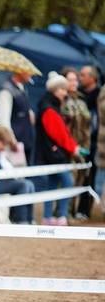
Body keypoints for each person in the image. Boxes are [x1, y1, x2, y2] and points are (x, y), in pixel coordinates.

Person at [35, 72, 86, 226]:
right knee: (67, 181)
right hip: (55, 154)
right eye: (62, 89)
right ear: (54, 90)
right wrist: (74, 148)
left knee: (52, 184)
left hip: (51, 153)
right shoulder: (50, 109)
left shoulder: (50, 106)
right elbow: (60, 135)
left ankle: (48, 216)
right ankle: (61, 215)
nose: (65, 92)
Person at [0, 126, 35, 224]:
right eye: (3, 144)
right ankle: (20, 220)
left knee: (29, 184)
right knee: (23, 185)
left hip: (1, 180)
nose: (4, 147)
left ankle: (30, 219)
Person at [61, 67, 92, 219]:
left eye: (75, 79)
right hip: (69, 147)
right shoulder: (61, 100)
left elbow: (87, 124)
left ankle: (72, 212)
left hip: (83, 147)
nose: (74, 82)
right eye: (70, 79)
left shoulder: (81, 99)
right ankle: (62, 213)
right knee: (68, 180)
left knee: (79, 180)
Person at [0, 70, 35, 164]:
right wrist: (12, 141)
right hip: (14, 145)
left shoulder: (22, 89)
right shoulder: (6, 91)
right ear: (20, 71)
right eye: (28, 71)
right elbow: (4, 120)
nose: (31, 74)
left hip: (25, 142)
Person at [77, 65, 101, 218]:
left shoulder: (101, 94)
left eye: (83, 75)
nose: (80, 78)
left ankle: (85, 210)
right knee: (82, 176)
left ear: (93, 78)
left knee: (92, 176)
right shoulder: (78, 94)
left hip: (98, 144)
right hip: (81, 144)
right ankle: (79, 210)